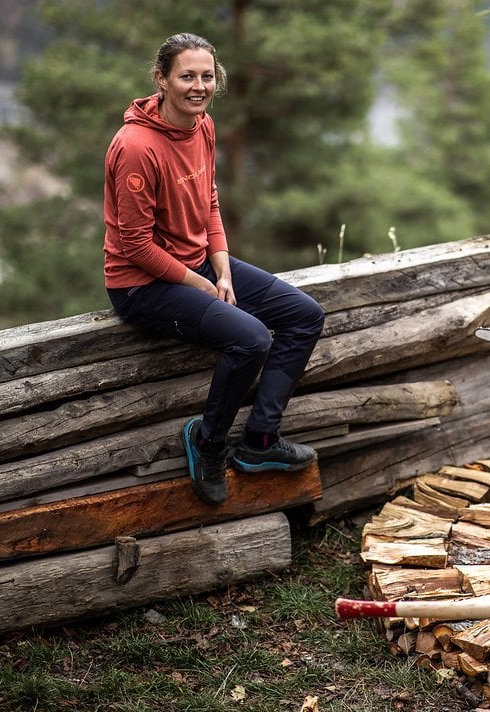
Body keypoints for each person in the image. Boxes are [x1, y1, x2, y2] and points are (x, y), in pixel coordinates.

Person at [103, 32, 324, 506]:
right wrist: (200, 283)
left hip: (199, 264)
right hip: (142, 284)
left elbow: (208, 200)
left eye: (206, 76)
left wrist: (221, 270)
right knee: (251, 338)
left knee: (304, 315)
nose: (198, 86)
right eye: (186, 76)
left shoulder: (203, 124)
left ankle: (259, 443)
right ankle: (207, 443)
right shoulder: (136, 147)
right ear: (161, 79)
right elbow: (135, 245)